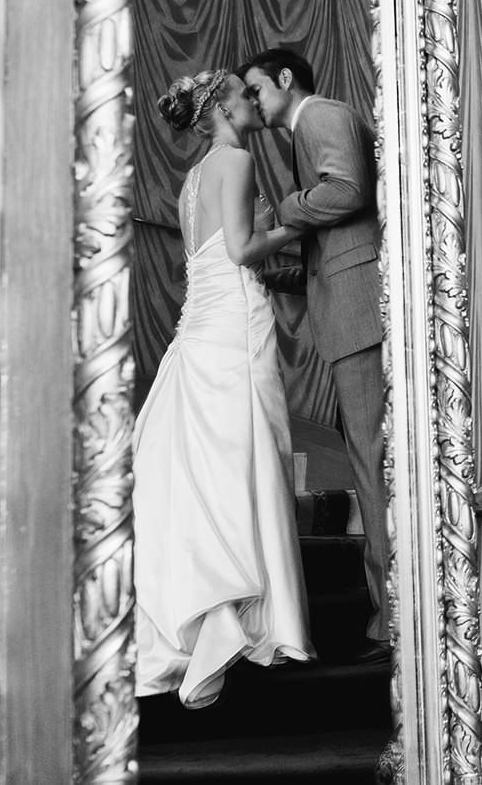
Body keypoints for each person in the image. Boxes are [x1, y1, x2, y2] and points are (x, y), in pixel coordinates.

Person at [134, 68, 315, 708]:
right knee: (249, 453)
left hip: (200, 322)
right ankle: (258, 619)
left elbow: (208, 252)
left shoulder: (193, 178)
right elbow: (241, 252)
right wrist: (298, 224)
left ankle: (222, 610)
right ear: (221, 107)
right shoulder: (234, 160)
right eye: (241, 92)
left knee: (212, 462)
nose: (250, 99)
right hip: (235, 317)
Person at [240, 47, 390, 664]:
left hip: (360, 314)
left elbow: (348, 191)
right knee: (369, 459)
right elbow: (339, 236)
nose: (251, 103)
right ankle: (392, 613)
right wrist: (284, 277)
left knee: (372, 460)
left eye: (255, 90)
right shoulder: (310, 125)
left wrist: (286, 212)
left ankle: (392, 621)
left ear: (284, 79)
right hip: (347, 305)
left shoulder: (321, 116)